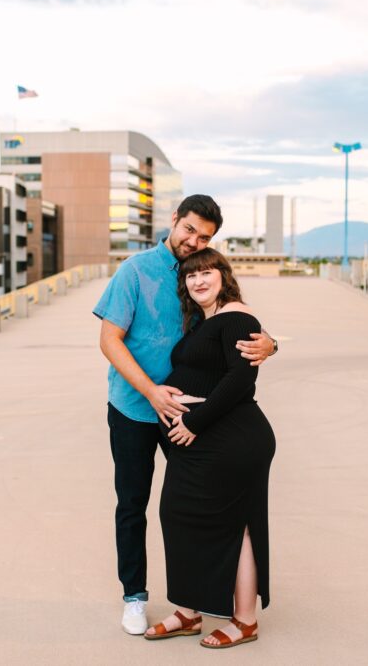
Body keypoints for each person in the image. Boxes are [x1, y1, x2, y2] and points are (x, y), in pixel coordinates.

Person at [93, 195, 277, 635]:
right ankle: (134, 598)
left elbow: (233, 324)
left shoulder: (202, 275)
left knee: (191, 513)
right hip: (135, 410)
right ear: (173, 220)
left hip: (193, 423)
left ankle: (198, 605)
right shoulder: (134, 271)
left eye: (205, 238)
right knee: (134, 505)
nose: (194, 241)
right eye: (189, 230)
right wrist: (153, 393)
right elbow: (109, 341)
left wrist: (269, 341)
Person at [142, 248, 275, 649]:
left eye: (206, 272)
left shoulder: (236, 315)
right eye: (190, 276)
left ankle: (244, 620)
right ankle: (188, 611)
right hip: (203, 443)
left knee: (239, 525)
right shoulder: (208, 320)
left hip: (229, 439)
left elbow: (240, 381)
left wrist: (193, 423)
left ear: (223, 275)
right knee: (180, 517)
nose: (198, 281)